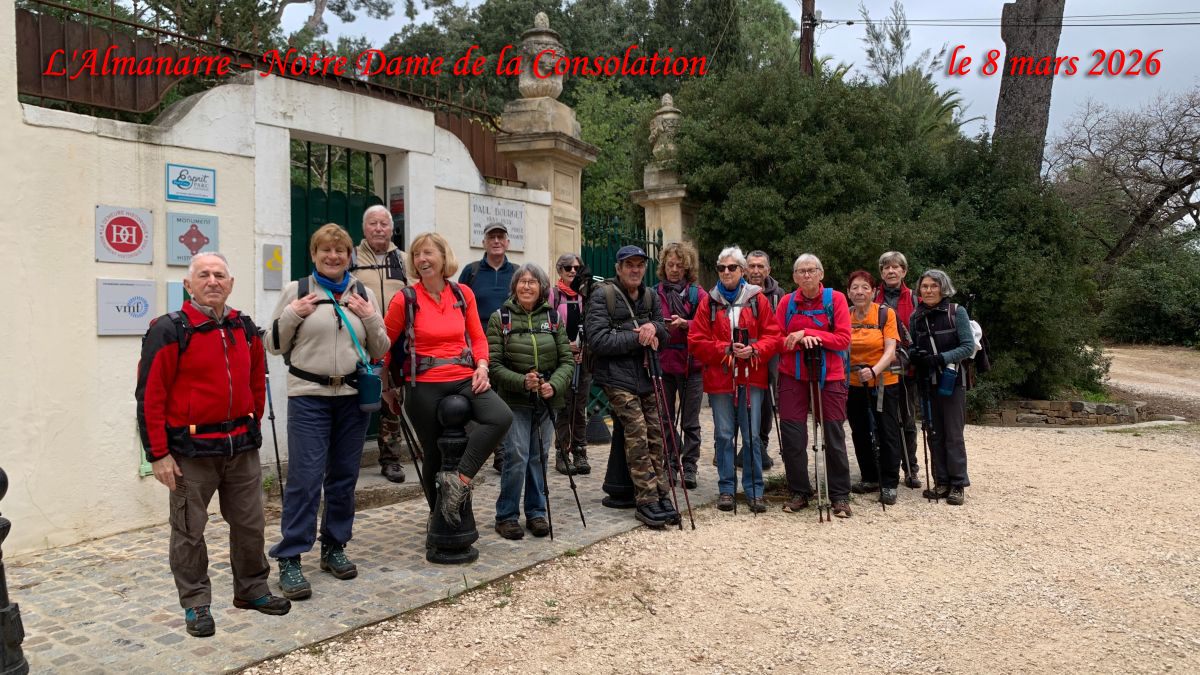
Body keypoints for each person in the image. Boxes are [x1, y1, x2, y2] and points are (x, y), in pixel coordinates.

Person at [137, 252, 291, 638]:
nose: (212, 281)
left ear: (231, 283)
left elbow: (258, 379)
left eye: (219, 275)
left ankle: (252, 590)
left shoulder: (243, 326)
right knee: (189, 530)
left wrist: (252, 418)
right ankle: (196, 603)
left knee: (251, 525)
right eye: (203, 275)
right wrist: (158, 454)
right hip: (190, 452)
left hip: (240, 447)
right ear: (188, 286)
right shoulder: (169, 329)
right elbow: (149, 396)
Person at [266, 223, 390, 600]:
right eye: (326, 251)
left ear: (350, 255)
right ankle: (290, 556)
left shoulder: (363, 292)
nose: (334, 256)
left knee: (343, 478)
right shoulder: (298, 290)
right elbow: (272, 344)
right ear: (314, 255)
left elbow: (381, 345)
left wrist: (368, 315)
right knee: (305, 478)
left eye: (341, 251)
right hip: (309, 397)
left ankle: (334, 546)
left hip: (352, 398)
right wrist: (292, 314)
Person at [384, 232, 513, 526]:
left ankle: (460, 480)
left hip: (464, 376)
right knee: (433, 452)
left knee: (500, 417)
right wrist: (386, 388)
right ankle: (438, 517)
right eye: (417, 254)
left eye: (428, 253)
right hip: (423, 383)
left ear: (444, 257)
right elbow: (384, 346)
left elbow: (478, 337)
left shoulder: (462, 294)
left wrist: (481, 366)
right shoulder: (404, 299)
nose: (422, 259)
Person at [585, 245, 676, 529]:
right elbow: (597, 340)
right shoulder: (603, 296)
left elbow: (664, 330)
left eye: (639, 265)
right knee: (636, 433)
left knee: (656, 433)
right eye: (629, 265)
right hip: (616, 377)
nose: (635, 270)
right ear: (618, 268)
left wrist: (654, 330)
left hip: (646, 376)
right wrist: (637, 338)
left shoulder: (650, 295)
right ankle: (646, 499)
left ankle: (662, 493)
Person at [688, 246, 782, 513]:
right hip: (720, 378)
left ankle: (754, 490)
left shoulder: (758, 300)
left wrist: (755, 350)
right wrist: (725, 349)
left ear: (741, 270)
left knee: (752, 436)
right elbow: (695, 340)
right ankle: (727, 490)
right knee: (724, 435)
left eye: (732, 267)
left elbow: (773, 336)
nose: (726, 272)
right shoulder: (709, 301)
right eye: (721, 268)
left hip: (752, 376)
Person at [487, 264, 574, 539]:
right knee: (516, 456)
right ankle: (507, 515)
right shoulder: (500, 318)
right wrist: (521, 381)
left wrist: (554, 385)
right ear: (514, 287)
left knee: (539, 456)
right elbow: (494, 365)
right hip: (514, 400)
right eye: (522, 282)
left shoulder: (553, 317)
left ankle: (536, 513)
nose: (527, 286)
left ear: (542, 288)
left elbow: (567, 360)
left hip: (546, 401)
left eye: (532, 282)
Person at [775, 254, 854, 518]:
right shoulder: (787, 302)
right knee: (793, 436)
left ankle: (840, 494)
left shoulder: (836, 299)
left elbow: (843, 339)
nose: (806, 275)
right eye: (801, 271)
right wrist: (796, 339)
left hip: (829, 375)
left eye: (811, 270)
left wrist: (808, 333)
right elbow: (776, 338)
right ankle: (799, 491)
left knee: (833, 435)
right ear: (795, 276)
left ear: (821, 273)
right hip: (792, 375)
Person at [351, 205, 409, 484]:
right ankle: (347, 457)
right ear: (364, 228)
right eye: (373, 223)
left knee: (391, 400)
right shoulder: (351, 257)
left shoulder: (403, 260)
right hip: (359, 340)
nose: (378, 229)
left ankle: (391, 459)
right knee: (356, 399)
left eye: (383, 224)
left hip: (396, 342)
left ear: (391, 228)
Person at [909, 269, 974, 506]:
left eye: (933, 286)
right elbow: (913, 346)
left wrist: (941, 358)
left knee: (953, 433)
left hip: (952, 379)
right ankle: (941, 480)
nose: (928, 290)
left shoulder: (956, 312)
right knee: (933, 431)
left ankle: (958, 483)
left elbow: (968, 346)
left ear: (943, 288)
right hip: (927, 382)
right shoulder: (916, 317)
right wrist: (915, 354)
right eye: (924, 286)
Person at [457, 222, 517, 472]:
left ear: (507, 243)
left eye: (501, 237)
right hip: (476, 344)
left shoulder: (517, 272)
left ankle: (502, 454)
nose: (496, 241)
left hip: (508, 343)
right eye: (491, 237)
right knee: (479, 395)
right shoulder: (471, 272)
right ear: (484, 242)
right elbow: (457, 307)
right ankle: (479, 447)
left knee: (504, 397)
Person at [844, 270, 903, 506]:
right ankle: (869, 476)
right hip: (853, 381)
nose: (859, 292)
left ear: (874, 291)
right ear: (848, 292)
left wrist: (875, 370)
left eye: (864, 288)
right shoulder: (844, 315)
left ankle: (889, 482)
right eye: (855, 288)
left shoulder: (885, 313)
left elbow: (891, 349)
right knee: (859, 430)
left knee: (886, 430)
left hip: (883, 381)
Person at [655, 241, 705, 489]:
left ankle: (690, 466)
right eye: (670, 264)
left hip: (691, 365)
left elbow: (709, 327)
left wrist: (687, 324)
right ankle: (670, 464)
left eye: (679, 265)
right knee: (665, 418)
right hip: (663, 364)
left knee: (690, 421)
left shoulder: (698, 294)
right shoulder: (655, 293)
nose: (674, 269)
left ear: (687, 268)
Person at [874, 251, 922, 488]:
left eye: (896, 267)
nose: (890, 271)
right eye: (886, 268)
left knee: (907, 420)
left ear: (904, 271)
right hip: (877, 369)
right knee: (880, 421)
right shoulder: (872, 296)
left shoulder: (914, 298)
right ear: (881, 272)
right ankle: (882, 467)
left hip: (907, 369)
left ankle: (910, 468)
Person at [549, 253, 590, 476]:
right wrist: (566, 347)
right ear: (560, 270)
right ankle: (562, 452)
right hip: (561, 360)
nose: (573, 271)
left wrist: (583, 350)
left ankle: (580, 451)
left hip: (582, 360)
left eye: (577, 268)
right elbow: (547, 325)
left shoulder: (586, 296)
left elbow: (592, 326)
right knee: (563, 407)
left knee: (580, 407)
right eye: (568, 268)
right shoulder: (553, 295)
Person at [746, 250, 783, 471]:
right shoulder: (738, 291)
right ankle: (745, 444)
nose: (756, 271)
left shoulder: (778, 294)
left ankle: (761, 442)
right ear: (745, 268)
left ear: (768, 269)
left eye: (761, 266)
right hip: (744, 351)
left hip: (770, 353)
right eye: (752, 266)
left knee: (767, 398)